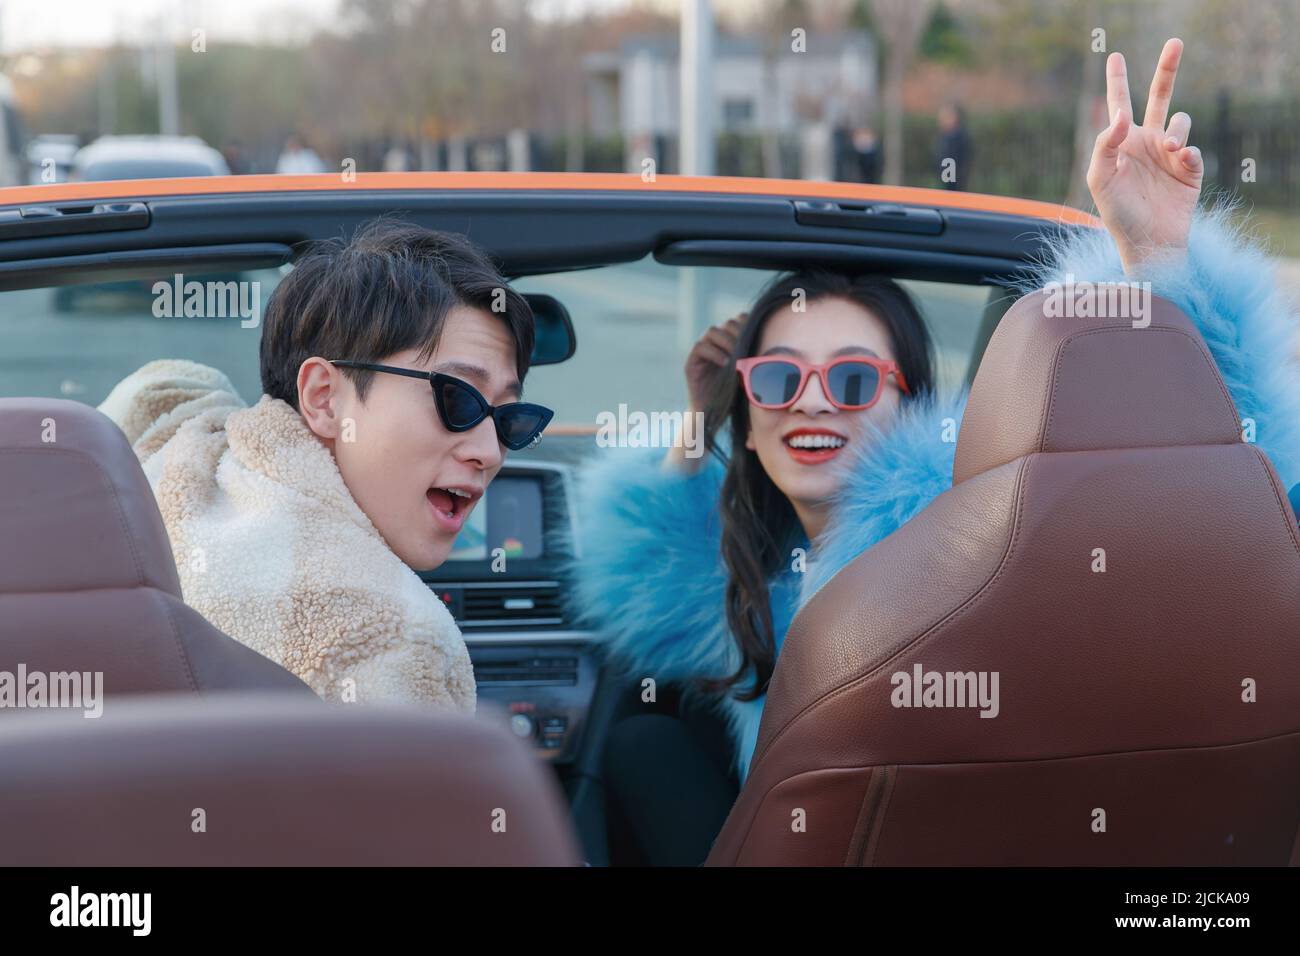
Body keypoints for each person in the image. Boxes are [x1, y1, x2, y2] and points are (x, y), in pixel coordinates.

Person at [569, 37, 1300, 865]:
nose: (810, 399)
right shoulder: (757, 584)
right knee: (643, 745)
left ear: (910, 401)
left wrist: (1158, 261)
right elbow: (638, 573)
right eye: (775, 380)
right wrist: (699, 423)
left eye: (851, 380)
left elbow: (1227, 497)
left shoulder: (986, 537)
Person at [100, 221, 552, 709]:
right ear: (323, 398)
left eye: (511, 418)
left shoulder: (165, 453)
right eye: (458, 399)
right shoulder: (387, 644)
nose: (487, 451)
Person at [935, 103, 971, 190]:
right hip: (948, 178)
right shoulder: (947, 136)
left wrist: (949, 178)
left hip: (953, 181)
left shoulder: (955, 137)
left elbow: (952, 158)